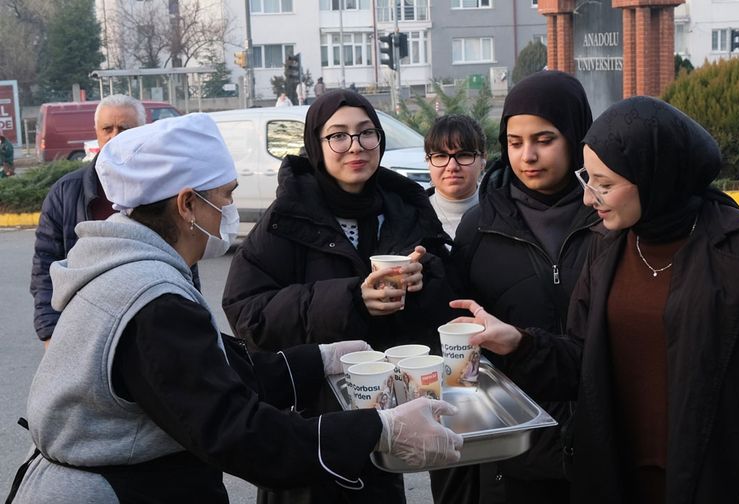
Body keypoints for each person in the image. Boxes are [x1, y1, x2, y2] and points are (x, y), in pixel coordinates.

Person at [7, 113, 462, 503]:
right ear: (187, 204)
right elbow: (237, 432)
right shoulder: (149, 297)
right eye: (224, 195)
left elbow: (208, 372)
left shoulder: (126, 266)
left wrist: (320, 360)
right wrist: (378, 431)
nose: (229, 207)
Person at [452, 96, 739, 503]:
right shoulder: (608, 245)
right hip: (617, 480)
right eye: (587, 179)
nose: (588, 198)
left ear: (654, 176)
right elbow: (584, 361)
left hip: (714, 482)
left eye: (604, 185)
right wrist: (517, 342)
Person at [222, 90, 455, 504]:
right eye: (338, 136)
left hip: (387, 415)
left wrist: (425, 279)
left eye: (367, 134)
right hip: (308, 426)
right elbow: (249, 315)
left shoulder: (406, 208)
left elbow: (444, 310)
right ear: (317, 144)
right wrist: (351, 299)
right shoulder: (286, 217)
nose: (355, 147)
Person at [436, 70, 600, 504]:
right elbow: (454, 336)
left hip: (608, 443)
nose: (527, 155)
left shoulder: (611, 219)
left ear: (577, 137)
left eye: (544, 139)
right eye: (514, 142)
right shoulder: (481, 224)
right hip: (514, 452)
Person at [29, 94, 200, 347]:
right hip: (84, 336)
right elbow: (45, 268)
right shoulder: (66, 193)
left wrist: (193, 325)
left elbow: (185, 265)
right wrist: (49, 334)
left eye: (125, 128)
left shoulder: (165, 192)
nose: (115, 135)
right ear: (96, 132)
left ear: (143, 131)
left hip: (154, 333)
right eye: (107, 128)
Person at [423, 114, 485, 240]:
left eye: (463, 155)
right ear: (428, 161)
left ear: (483, 160)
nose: (452, 166)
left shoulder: (505, 214)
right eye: (440, 156)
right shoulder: (409, 217)